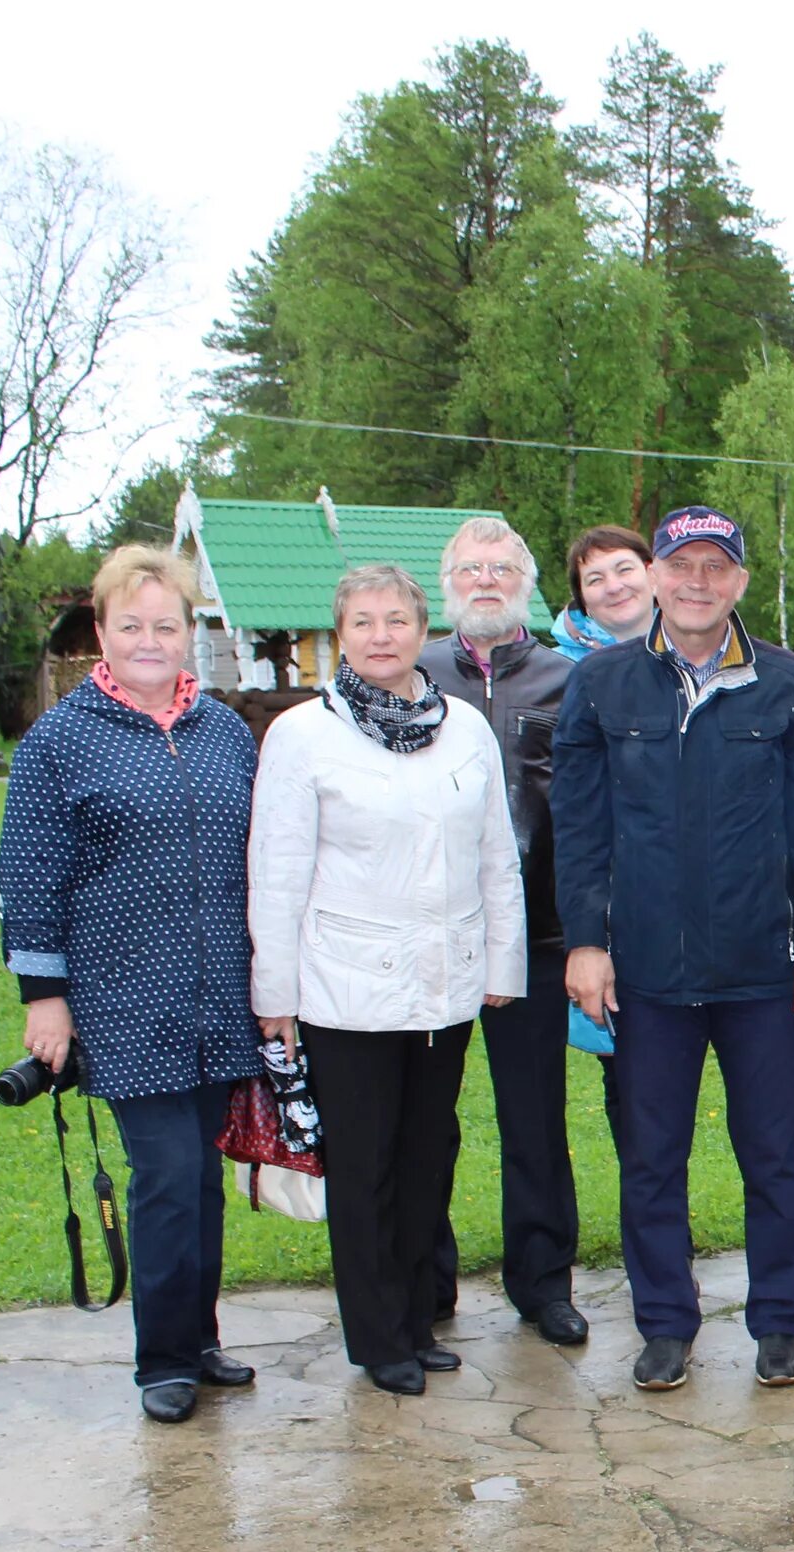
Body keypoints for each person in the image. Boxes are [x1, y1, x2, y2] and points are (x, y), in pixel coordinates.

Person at [552, 506, 794, 1394]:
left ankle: (778, 1326)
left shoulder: (788, 684)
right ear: (654, 577)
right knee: (649, 1158)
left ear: (740, 584)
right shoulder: (603, 685)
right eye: (682, 565)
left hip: (762, 971)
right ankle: (666, 1327)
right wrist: (586, 943)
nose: (697, 583)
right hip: (643, 973)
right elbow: (580, 829)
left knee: (775, 1153)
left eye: (716, 568)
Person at [0, 545, 266, 1425]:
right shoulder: (59, 742)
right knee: (165, 1175)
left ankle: (200, 1335)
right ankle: (163, 1359)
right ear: (102, 636)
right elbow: (31, 875)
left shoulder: (225, 731)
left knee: (199, 1180)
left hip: (219, 996)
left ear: (191, 635)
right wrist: (46, 997)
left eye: (167, 624)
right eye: (131, 625)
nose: (150, 640)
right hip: (123, 1002)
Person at [249, 563, 524, 1398]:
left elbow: (494, 856)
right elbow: (278, 870)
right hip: (345, 991)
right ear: (341, 632)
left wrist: (503, 963)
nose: (380, 636)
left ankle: (414, 1317)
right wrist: (277, 995)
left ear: (420, 628)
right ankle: (377, 1338)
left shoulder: (464, 728)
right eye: (363, 622)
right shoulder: (303, 736)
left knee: (426, 1156)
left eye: (395, 620)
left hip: (445, 987)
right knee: (364, 1165)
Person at [418, 518, 590, 1349]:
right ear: (445, 582)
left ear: (526, 583)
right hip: (430, 937)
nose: (485, 580)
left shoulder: (568, 679)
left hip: (540, 934)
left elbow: (595, 811)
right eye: (469, 568)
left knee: (534, 1117)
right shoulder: (411, 672)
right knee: (423, 1118)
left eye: (501, 568)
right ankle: (425, 1277)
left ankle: (543, 1282)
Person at [551, 526, 652, 661]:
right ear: (583, 601)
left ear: (652, 575)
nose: (614, 587)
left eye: (624, 569)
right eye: (596, 580)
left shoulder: (688, 651)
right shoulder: (555, 672)